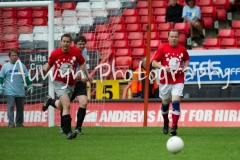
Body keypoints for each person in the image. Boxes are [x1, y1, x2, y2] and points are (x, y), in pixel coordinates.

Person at [41, 33, 85, 140]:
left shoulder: (76, 52)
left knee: (61, 106)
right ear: (61, 42)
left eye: (67, 42)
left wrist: (80, 72)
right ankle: (68, 132)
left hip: (71, 83)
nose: (65, 43)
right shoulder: (55, 53)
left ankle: (50, 101)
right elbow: (47, 67)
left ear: (70, 43)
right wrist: (42, 71)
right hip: (59, 82)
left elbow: (83, 62)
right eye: (63, 41)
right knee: (67, 105)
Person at [152, 29, 190, 136]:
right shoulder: (162, 48)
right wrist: (163, 67)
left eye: (176, 37)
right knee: (165, 105)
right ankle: (165, 122)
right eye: (172, 37)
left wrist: (186, 67)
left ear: (178, 38)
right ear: (168, 38)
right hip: (165, 80)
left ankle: (174, 126)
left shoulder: (182, 49)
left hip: (178, 79)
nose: (174, 38)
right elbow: (154, 63)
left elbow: (187, 59)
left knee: (176, 102)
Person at [60, 35, 93, 136]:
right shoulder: (70, 53)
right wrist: (77, 76)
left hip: (80, 82)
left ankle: (78, 128)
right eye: (80, 44)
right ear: (75, 44)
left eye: (83, 44)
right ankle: (63, 127)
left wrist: (88, 75)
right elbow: (67, 69)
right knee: (64, 105)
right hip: (69, 82)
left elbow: (83, 65)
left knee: (83, 102)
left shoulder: (84, 51)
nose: (82, 46)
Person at [0, 48, 33, 127]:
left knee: (20, 109)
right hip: (9, 91)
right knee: (10, 106)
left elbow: (27, 77)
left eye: (15, 55)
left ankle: (19, 124)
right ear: (10, 57)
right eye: (12, 55)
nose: (14, 57)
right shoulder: (5, 67)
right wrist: (0, 86)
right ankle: (11, 124)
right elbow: (1, 78)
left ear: (18, 56)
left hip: (20, 91)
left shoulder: (22, 66)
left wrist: (30, 85)